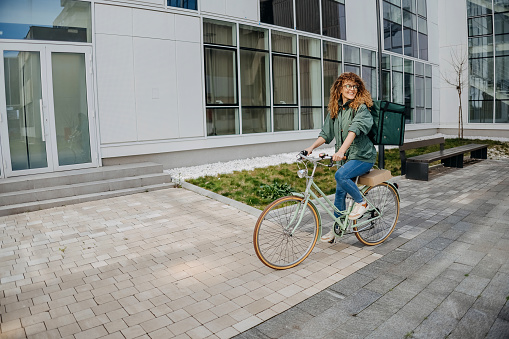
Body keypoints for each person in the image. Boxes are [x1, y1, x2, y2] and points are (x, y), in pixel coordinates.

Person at [304, 72, 376, 243]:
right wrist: (310, 148)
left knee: (340, 176)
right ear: (340, 88)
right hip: (346, 157)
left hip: (362, 156)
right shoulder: (336, 109)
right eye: (348, 86)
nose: (351, 89)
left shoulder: (361, 107)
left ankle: (361, 203)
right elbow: (326, 134)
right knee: (339, 193)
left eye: (354, 86)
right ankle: (337, 230)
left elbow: (354, 130)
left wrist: (341, 151)